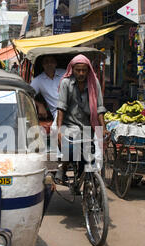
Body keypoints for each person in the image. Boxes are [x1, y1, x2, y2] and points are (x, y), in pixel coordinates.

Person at [55, 54, 108, 182]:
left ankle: (84, 179)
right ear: (72, 70)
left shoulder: (94, 83)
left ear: (88, 70)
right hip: (69, 125)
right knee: (70, 151)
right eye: (78, 70)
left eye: (84, 70)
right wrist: (59, 130)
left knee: (90, 156)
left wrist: (103, 129)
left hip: (88, 126)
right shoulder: (66, 83)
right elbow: (61, 107)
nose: (81, 73)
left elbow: (100, 108)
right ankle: (63, 169)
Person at [30, 55, 66, 120]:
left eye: (52, 61)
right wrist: (39, 105)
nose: (49, 64)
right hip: (57, 112)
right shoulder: (38, 80)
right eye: (46, 62)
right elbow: (27, 95)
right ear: (43, 65)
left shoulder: (64, 73)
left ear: (56, 63)